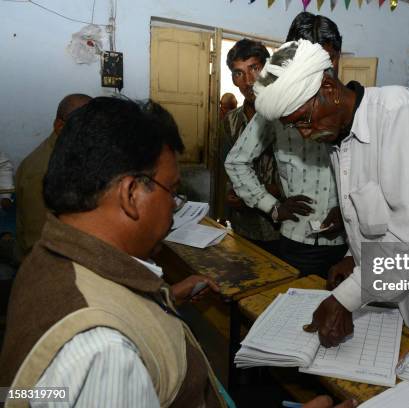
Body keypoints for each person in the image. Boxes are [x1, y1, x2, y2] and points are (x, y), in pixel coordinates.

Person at [0, 96, 354, 408]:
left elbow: (31, 395)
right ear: (130, 195)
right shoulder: (102, 352)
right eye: (171, 190)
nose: (174, 207)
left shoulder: (47, 257)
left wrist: (159, 299)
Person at [252, 39, 409, 369]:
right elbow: (373, 216)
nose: (304, 134)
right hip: (385, 291)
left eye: (304, 120)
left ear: (328, 87)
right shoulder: (339, 139)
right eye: (294, 126)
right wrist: (352, 256)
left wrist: (345, 299)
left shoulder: (397, 112)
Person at [225, 13, 347, 277]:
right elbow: (236, 161)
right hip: (296, 238)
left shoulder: (347, 106)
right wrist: (273, 206)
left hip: (346, 243)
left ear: (335, 57)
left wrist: (350, 211)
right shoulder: (274, 108)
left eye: (328, 59)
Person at [220, 39, 281, 255]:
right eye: (238, 73)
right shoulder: (230, 120)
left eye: (254, 68)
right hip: (242, 225)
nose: (247, 81)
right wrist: (230, 196)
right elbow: (228, 170)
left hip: (280, 226)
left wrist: (265, 194)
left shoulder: (287, 115)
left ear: (268, 69)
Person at [15, 93, 92, 259]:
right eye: (83, 128)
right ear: (60, 126)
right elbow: (37, 243)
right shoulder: (41, 172)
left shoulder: (68, 153)